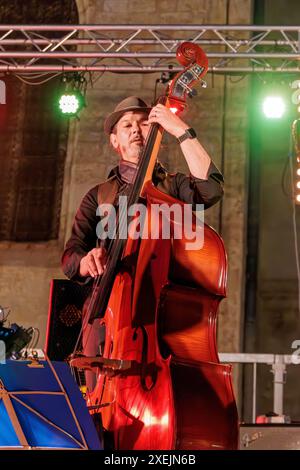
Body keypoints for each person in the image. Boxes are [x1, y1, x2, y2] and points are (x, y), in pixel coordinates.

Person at [61, 96, 224, 390]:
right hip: (105, 320)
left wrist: (181, 131)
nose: (136, 129)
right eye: (127, 125)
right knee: (97, 406)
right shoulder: (99, 196)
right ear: (115, 140)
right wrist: (85, 262)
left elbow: (210, 190)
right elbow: (71, 255)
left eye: (144, 122)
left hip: (160, 319)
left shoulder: (172, 187)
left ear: (157, 129)